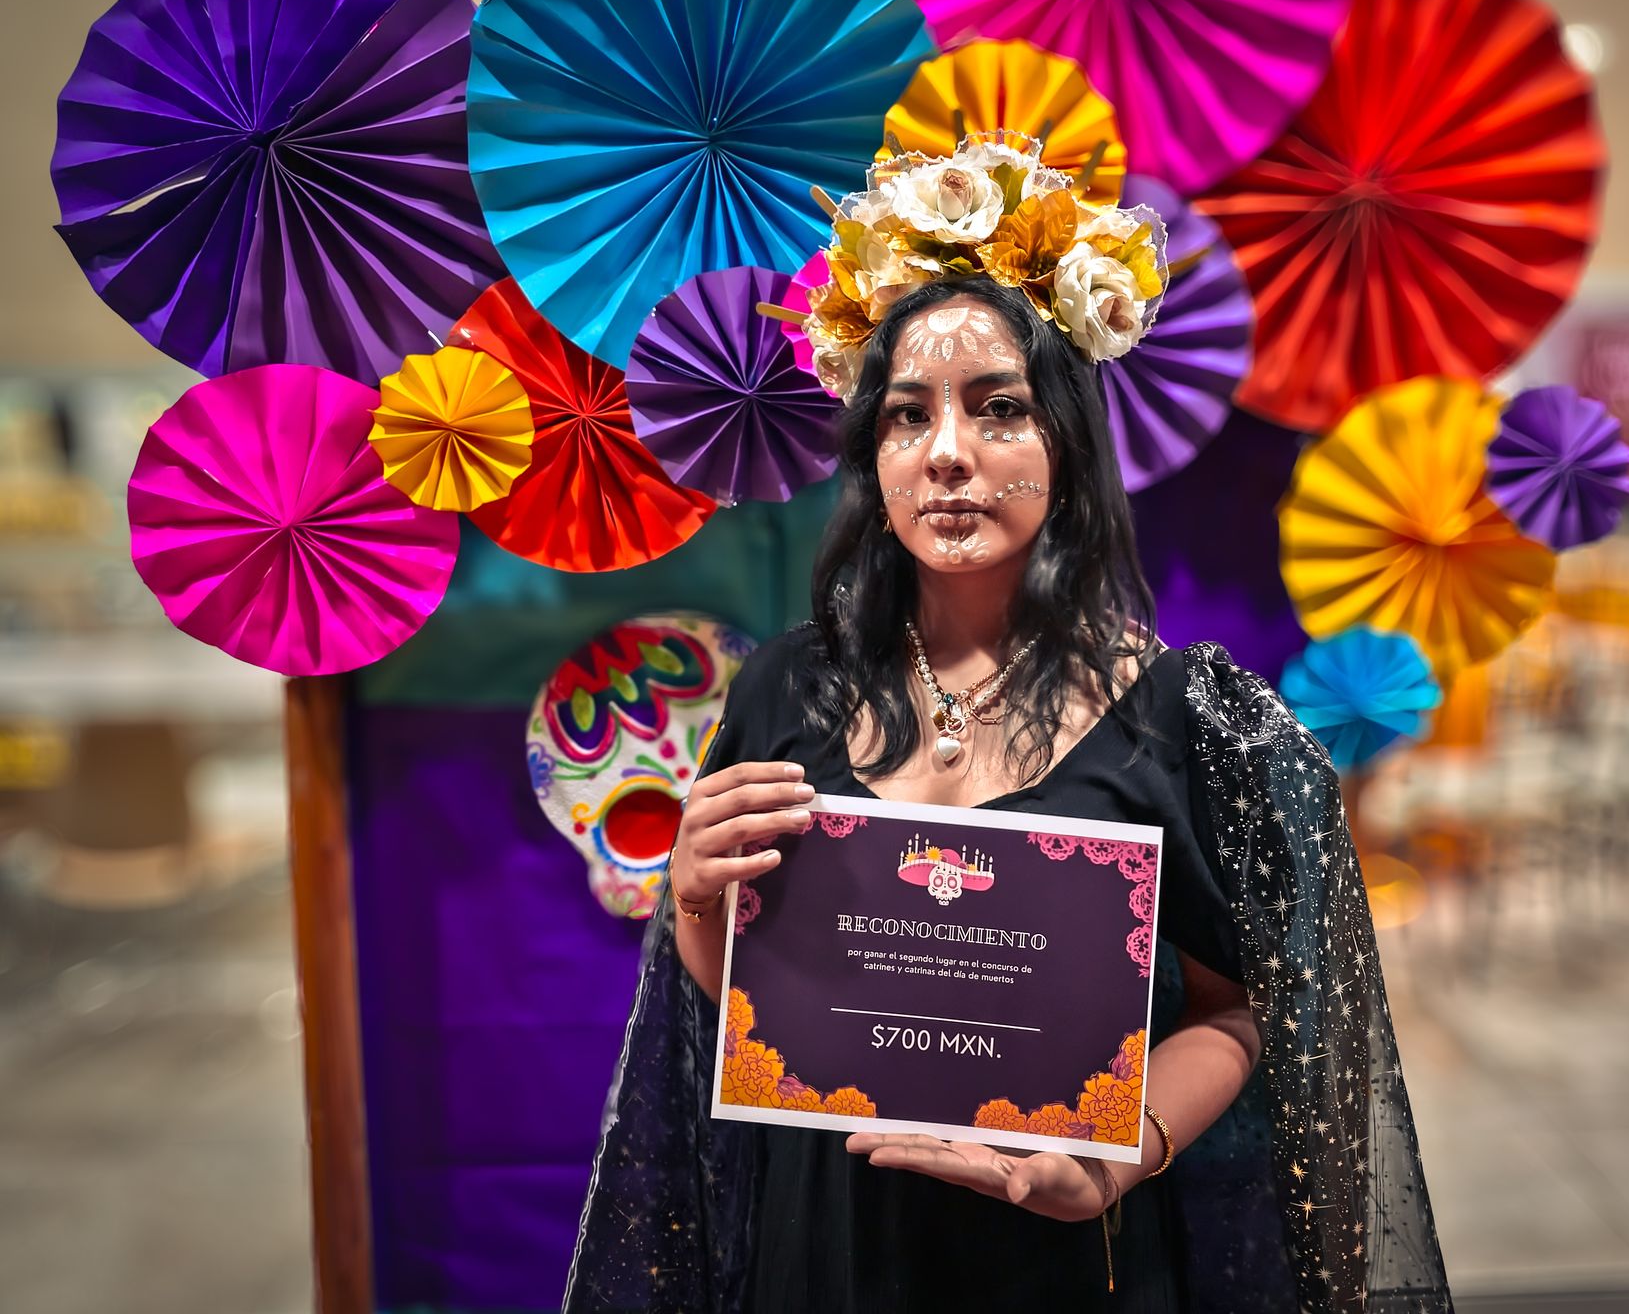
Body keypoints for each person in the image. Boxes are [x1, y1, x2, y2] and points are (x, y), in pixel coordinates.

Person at [564, 136, 1452, 1313]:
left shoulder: (1187, 720)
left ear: (1067, 446)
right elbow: (753, 1005)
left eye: (999, 409)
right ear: (872, 459)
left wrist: (1115, 1158)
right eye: (906, 416)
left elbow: (1238, 1012)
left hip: (1064, 1264)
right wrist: (692, 902)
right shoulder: (784, 692)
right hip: (826, 1247)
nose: (947, 454)